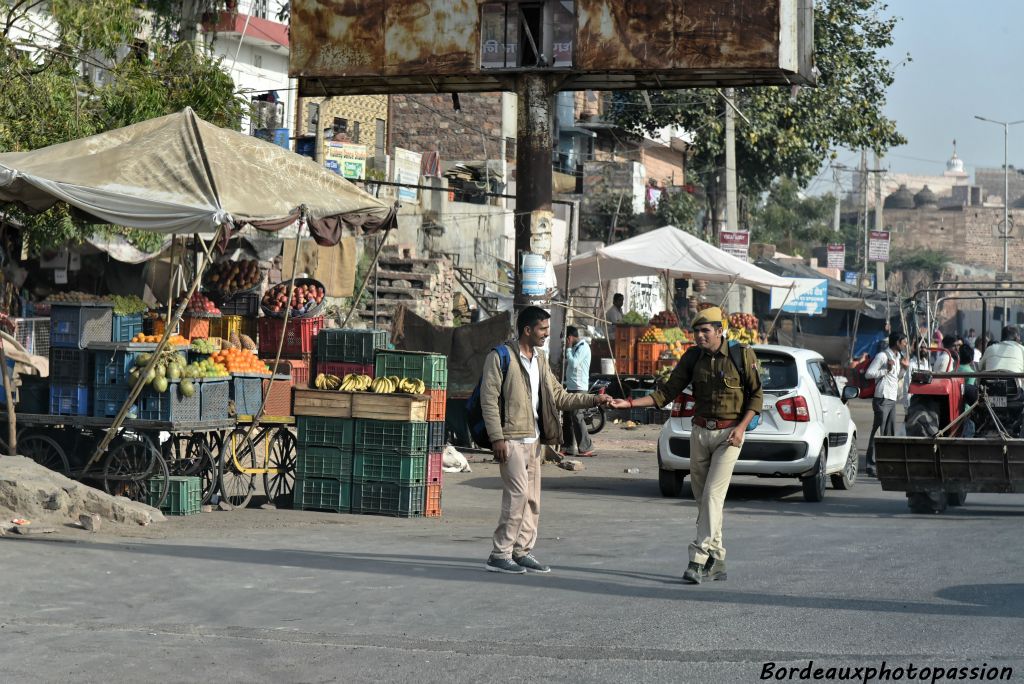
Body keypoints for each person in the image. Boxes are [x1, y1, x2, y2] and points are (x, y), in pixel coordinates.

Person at [615, 306, 762, 585]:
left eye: (705, 331)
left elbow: (756, 396)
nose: (699, 336)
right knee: (702, 499)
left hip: (729, 436)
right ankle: (718, 559)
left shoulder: (742, 356)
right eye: (696, 331)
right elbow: (666, 392)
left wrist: (742, 429)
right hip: (700, 433)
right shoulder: (693, 357)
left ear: (719, 331)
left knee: (712, 497)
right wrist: (630, 403)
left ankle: (697, 558)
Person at [481, 306, 612, 575]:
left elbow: (560, 397)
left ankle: (522, 551)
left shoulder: (540, 359)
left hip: (534, 441)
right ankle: (500, 553)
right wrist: (497, 438)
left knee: (532, 500)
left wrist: (593, 399)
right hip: (511, 438)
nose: (546, 334)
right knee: (517, 496)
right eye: (542, 329)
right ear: (527, 330)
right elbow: (489, 400)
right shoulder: (500, 357)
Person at [864, 332, 909, 478]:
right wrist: (885, 370)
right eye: (904, 342)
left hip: (891, 398)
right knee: (878, 432)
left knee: (889, 433)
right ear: (897, 342)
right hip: (882, 398)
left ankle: (887, 465)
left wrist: (904, 369)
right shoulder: (882, 356)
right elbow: (868, 374)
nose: (905, 345)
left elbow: (897, 377)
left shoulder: (897, 357)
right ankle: (871, 465)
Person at [561, 326, 594, 457]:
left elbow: (574, 363)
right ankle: (568, 447)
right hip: (571, 386)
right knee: (568, 418)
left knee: (577, 416)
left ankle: (587, 446)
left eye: (567, 340)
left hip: (579, 387)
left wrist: (568, 349)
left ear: (570, 337)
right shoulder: (576, 347)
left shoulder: (583, 347)